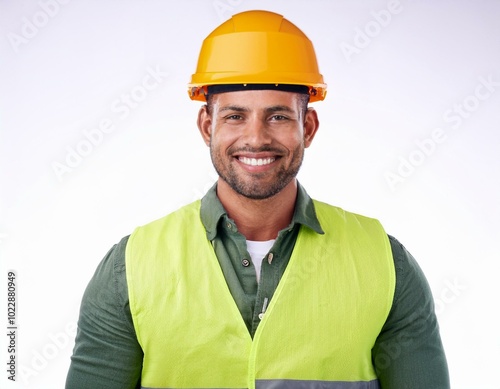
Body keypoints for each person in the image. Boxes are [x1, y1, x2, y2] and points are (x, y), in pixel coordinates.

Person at [65, 10, 450, 389]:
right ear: (206, 126)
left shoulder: (385, 265)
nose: (256, 138)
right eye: (235, 116)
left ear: (308, 128)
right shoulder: (130, 269)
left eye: (278, 117)